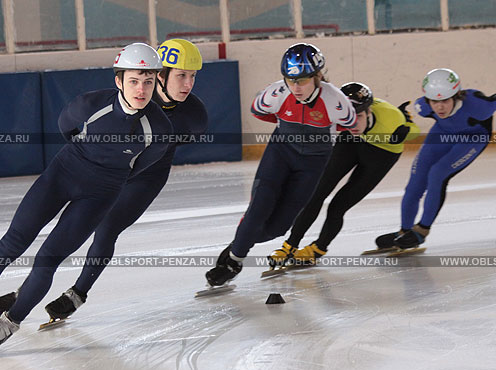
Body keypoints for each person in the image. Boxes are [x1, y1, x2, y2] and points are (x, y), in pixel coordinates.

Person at [0, 43, 173, 350]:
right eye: (134, 80)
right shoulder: (89, 104)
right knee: (12, 242)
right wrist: (83, 158)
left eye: (149, 81)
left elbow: (140, 167)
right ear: (119, 80)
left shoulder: (159, 129)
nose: (141, 89)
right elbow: (66, 127)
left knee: (47, 260)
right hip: (62, 175)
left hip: (100, 194)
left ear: (156, 82)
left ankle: (11, 320)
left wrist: (107, 177)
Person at [0, 39, 208, 323]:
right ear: (159, 75)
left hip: (146, 175)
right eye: (181, 76)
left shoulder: (195, 116)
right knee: (65, 232)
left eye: (193, 76)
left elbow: (167, 147)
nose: (188, 84)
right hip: (106, 168)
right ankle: (29, 289)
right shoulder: (136, 89)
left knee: (107, 228)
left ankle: (79, 291)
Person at [205, 43, 356, 287]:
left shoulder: (335, 100)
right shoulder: (276, 93)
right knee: (259, 209)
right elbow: (260, 111)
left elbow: (349, 124)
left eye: (303, 80)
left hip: (312, 164)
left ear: (317, 77)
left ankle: (239, 243)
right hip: (280, 154)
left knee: (278, 228)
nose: (296, 87)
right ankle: (233, 261)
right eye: (290, 79)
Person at [266, 82, 420, 266]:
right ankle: (289, 246)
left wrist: (407, 125)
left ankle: (319, 248)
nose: (353, 123)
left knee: (338, 206)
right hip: (350, 142)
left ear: (369, 112)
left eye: (359, 117)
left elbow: (414, 131)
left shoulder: (391, 119)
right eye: (348, 119)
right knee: (316, 193)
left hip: (381, 153)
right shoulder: (341, 118)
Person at [375, 68, 495, 250]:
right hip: (442, 133)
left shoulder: (479, 105)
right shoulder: (422, 107)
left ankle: (421, 231)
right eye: (434, 101)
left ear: (457, 96)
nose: (439, 107)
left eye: (445, 101)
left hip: (473, 138)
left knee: (438, 174)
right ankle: (404, 231)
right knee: (415, 182)